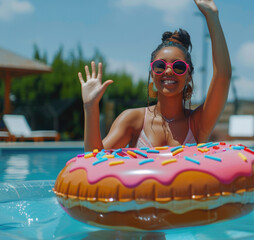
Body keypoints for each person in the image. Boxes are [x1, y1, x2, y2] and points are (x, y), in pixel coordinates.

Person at [78, 0, 231, 152]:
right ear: (152, 73)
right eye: (160, 66)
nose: (169, 71)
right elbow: (94, 158)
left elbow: (222, 77)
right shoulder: (133, 120)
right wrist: (90, 107)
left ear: (189, 76)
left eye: (178, 67)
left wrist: (212, 16)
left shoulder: (197, 123)